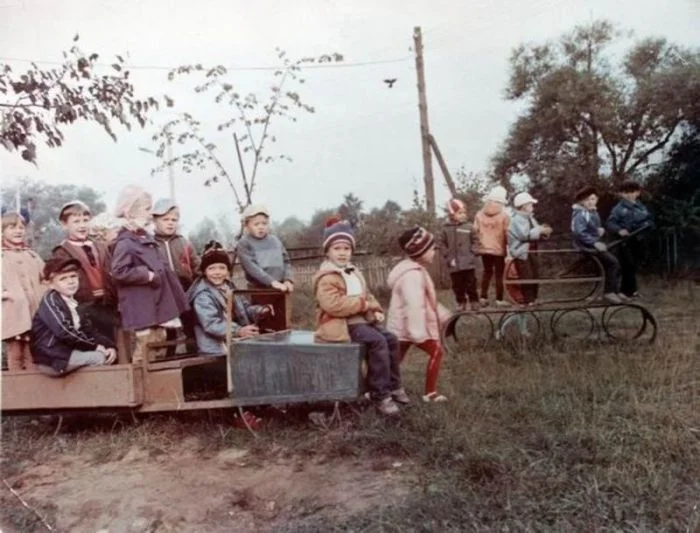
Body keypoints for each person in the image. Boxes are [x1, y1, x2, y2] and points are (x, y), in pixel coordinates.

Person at [312, 216, 406, 416]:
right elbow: (334, 305)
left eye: (346, 248)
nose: (342, 253)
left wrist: (376, 309)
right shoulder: (326, 277)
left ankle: (393, 385)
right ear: (327, 252)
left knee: (391, 339)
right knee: (377, 342)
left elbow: (367, 294)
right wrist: (363, 305)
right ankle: (379, 394)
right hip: (340, 323)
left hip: (360, 321)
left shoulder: (354, 272)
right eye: (337, 249)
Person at [110, 185, 189, 363]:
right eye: (147, 209)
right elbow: (118, 271)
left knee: (159, 341)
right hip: (143, 307)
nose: (150, 213)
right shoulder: (126, 242)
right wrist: (146, 275)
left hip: (155, 305)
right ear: (131, 212)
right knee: (145, 348)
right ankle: (141, 379)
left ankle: (155, 378)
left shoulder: (143, 237)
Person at [387, 226, 452, 403]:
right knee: (437, 351)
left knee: (394, 361)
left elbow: (427, 300)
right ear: (420, 251)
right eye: (431, 249)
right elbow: (414, 306)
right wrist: (418, 333)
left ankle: (380, 390)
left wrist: (443, 315)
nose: (434, 252)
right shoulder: (412, 276)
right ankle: (430, 393)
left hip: (401, 327)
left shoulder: (414, 271)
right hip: (411, 327)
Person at [31, 257, 117, 376]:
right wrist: (95, 347)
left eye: (73, 276)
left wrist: (109, 346)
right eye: (63, 279)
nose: (70, 281)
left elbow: (88, 330)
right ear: (51, 284)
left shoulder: (73, 301)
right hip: (53, 357)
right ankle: (92, 388)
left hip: (67, 351)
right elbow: (64, 331)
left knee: (107, 354)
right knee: (99, 357)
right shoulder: (50, 301)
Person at [187, 241, 273, 356]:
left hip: (233, 338)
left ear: (227, 270)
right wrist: (238, 331)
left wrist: (259, 310)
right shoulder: (202, 295)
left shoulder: (229, 286)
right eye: (211, 268)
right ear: (204, 272)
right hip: (215, 346)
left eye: (222, 268)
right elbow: (211, 324)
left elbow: (244, 308)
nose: (217, 272)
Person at [52, 200, 116, 343]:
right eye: (76, 222)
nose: (82, 226)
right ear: (64, 225)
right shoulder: (62, 252)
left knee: (112, 342)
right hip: (83, 306)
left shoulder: (101, 247)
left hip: (107, 305)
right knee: (93, 343)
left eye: (85, 220)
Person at [152, 198, 201, 352]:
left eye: (174, 220)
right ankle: (169, 356)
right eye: (165, 219)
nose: (170, 223)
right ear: (155, 220)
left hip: (185, 289)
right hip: (163, 291)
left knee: (190, 323)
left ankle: (193, 354)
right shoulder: (150, 243)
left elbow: (196, 266)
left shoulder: (183, 242)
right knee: (169, 329)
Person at [236, 204, 294, 328]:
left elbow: (286, 261)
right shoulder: (244, 243)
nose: (261, 227)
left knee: (282, 324)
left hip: (280, 290)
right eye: (256, 224)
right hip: (259, 291)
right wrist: (271, 281)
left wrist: (288, 279)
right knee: (264, 324)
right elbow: (252, 268)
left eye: (264, 223)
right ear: (247, 225)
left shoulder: (275, 240)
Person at [2, 211, 45, 370]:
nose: (18, 231)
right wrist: (6, 294)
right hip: (12, 314)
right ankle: (15, 384)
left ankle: (31, 385)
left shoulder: (32, 256)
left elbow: (46, 278)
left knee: (32, 355)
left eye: (21, 227)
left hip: (34, 313)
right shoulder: (2, 256)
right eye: (12, 227)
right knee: (15, 355)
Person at [571, 187, 624, 304]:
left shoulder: (592, 212)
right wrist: (594, 242)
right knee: (613, 262)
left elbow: (590, 228)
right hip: (585, 245)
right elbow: (579, 233)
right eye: (587, 200)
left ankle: (611, 291)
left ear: (597, 199)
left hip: (591, 243)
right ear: (581, 202)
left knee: (613, 260)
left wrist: (599, 230)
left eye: (593, 199)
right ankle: (609, 292)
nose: (590, 202)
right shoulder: (581, 214)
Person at [606, 181, 654, 298]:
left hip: (639, 240)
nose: (628, 195)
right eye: (625, 193)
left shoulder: (641, 207)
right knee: (628, 265)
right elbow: (610, 223)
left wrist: (648, 225)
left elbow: (649, 219)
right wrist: (619, 230)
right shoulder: (618, 209)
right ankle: (624, 291)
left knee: (634, 266)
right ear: (621, 194)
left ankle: (631, 291)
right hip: (625, 242)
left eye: (632, 192)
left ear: (638, 193)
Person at [507, 192, 553, 305]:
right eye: (530, 204)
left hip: (531, 251)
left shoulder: (530, 218)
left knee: (535, 274)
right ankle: (529, 300)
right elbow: (524, 235)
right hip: (522, 253)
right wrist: (540, 230)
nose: (532, 206)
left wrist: (544, 232)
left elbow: (535, 232)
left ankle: (534, 298)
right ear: (524, 206)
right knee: (527, 276)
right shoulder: (516, 219)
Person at [440, 198, 480, 311]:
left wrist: (474, 251)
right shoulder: (445, 229)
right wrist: (446, 254)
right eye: (460, 213)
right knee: (457, 285)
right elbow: (441, 243)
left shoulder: (469, 226)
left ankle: (474, 301)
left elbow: (475, 240)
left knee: (471, 283)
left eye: (464, 212)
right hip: (453, 263)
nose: (463, 215)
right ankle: (461, 302)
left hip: (468, 262)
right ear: (452, 214)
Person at [474, 186, 510, 307]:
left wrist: (478, 245)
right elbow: (507, 233)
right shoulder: (504, 215)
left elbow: (475, 231)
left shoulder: (479, 214)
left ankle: (483, 297)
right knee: (499, 274)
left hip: (484, 248)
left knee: (487, 272)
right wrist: (508, 249)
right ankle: (499, 299)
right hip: (499, 248)